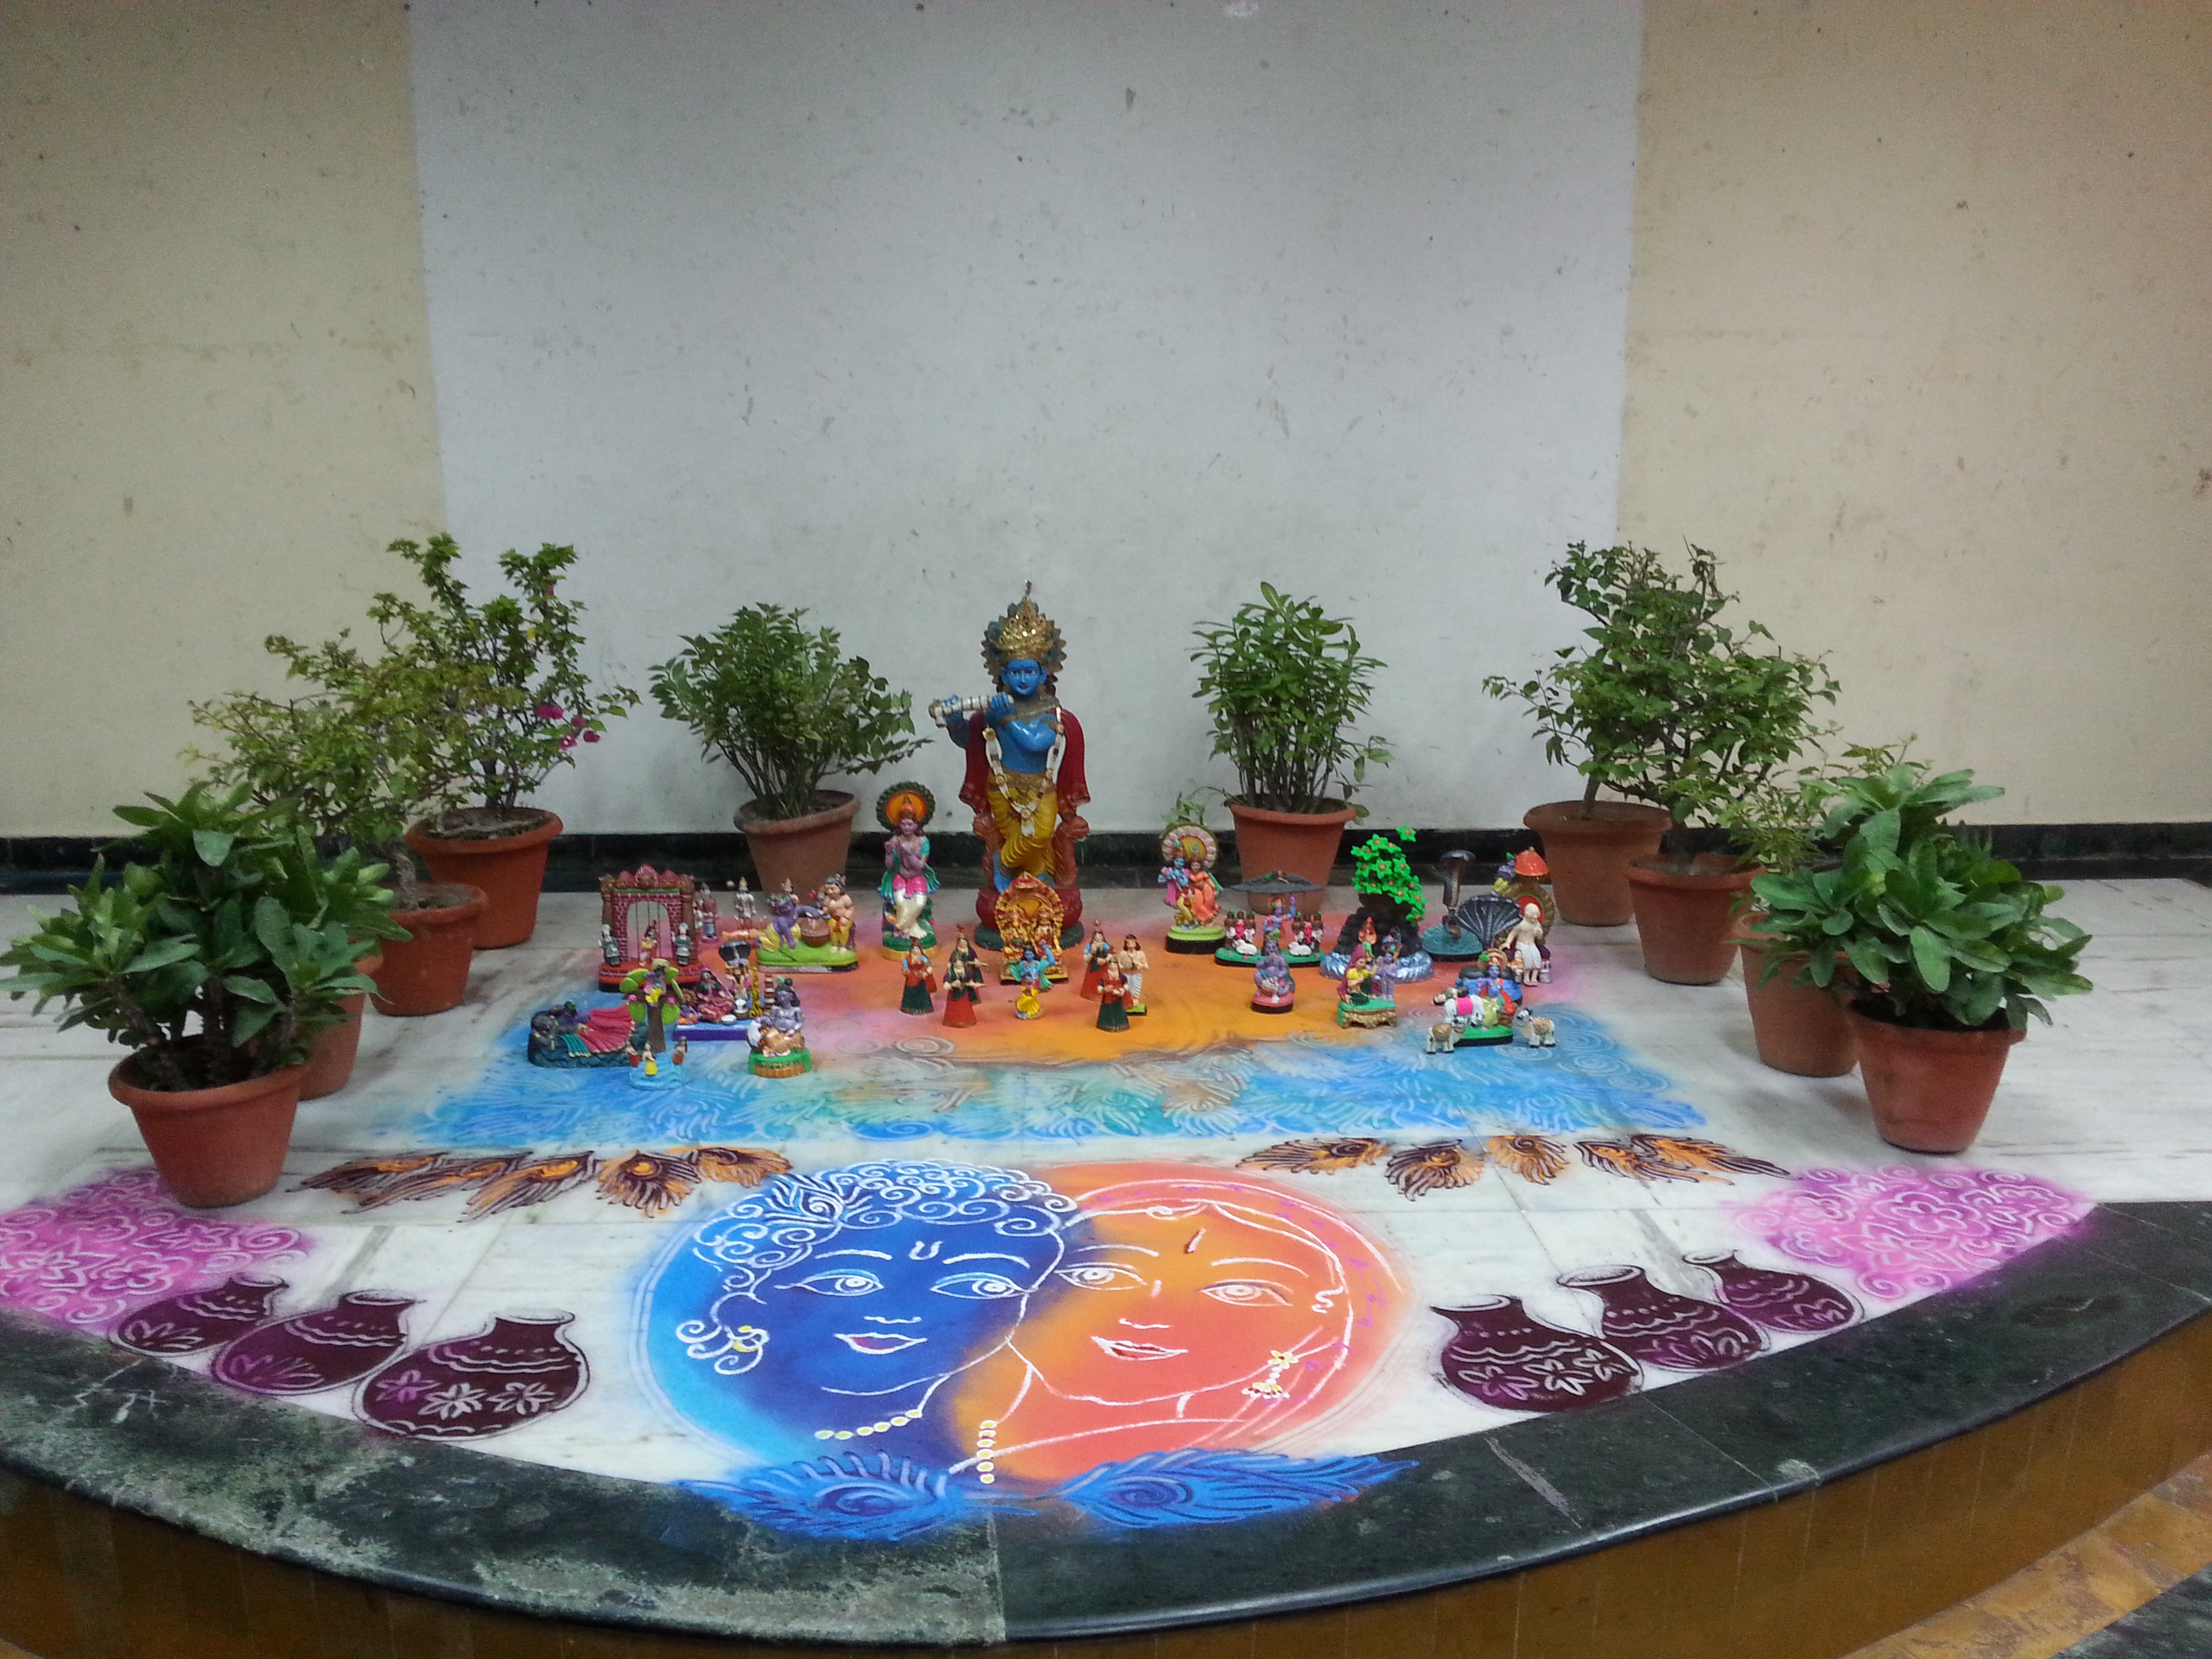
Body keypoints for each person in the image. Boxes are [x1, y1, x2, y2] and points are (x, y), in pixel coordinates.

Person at [943, 1169, 1401, 1487]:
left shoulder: (1269, 1457)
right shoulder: (948, 1417)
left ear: (1323, 1315)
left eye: (1238, 1291)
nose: (1146, 1316)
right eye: (1100, 1276)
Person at [643, 1161, 1077, 1470]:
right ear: (748, 1289)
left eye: (979, 1286)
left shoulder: (1014, 1432)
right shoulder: (717, 1399)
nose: (898, 1314)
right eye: (848, 1282)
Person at [936, 586, 1088, 897]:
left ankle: (1004, 864)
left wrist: (1006, 719)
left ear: (1043, 674)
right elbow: (968, 741)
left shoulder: (1051, 712)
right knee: (1020, 839)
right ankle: (1030, 889)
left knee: (1040, 836)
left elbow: (1036, 743)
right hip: (1003, 786)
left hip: (1040, 786)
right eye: (1015, 672)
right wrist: (954, 722)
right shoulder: (994, 711)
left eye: (1030, 671)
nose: (1022, 679)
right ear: (1004, 674)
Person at [941, 931, 984, 1027]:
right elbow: (946, 982)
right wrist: (951, 985)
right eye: (957, 964)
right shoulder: (951, 972)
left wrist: (974, 984)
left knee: (964, 1006)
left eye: (960, 964)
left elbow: (970, 980)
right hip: (954, 994)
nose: (959, 965)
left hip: (964, 993)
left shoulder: (966, 971)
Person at [899, 943, 939, 1016]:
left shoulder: (923, 958)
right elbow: (905, 967)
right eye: (914, 949)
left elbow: (929, 966)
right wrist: (906, 971)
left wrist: (926, 972)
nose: (915, 951)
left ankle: (923, 1008)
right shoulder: (907, 960)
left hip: (921, 979)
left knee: (921, 993)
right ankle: (910, 1008)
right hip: (911, 979)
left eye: (917, 949)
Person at [1115, 935, 1150, 1015]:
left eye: (1133, 943)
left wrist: (1140, 965)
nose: (1131, 945)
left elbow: (1146, 966)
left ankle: (1135, 1000)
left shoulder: (1140, 954)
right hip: (1126, 975)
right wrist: (1123, 967)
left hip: (1136, 975)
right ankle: (1127, 1002)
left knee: (1136, 989)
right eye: (1129, 943)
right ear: (1126, 944)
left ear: (1136, 944)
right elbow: (1119, 964)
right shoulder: (1123, 954)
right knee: (1126, 989)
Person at [1094, 960, 1131, 1033]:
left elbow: (1126, 983)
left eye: (1115, 966)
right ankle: (1106, 1025)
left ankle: (1120, 1024)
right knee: (1108, 1010)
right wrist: (1105, 989)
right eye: (1111, 966)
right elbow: (1100, 987)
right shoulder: (1105, 977)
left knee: (1119, 1010)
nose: (1113, 967)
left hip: (1118, 997)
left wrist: (1123, 990)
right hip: (1108, 998)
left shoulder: (1121, 976)